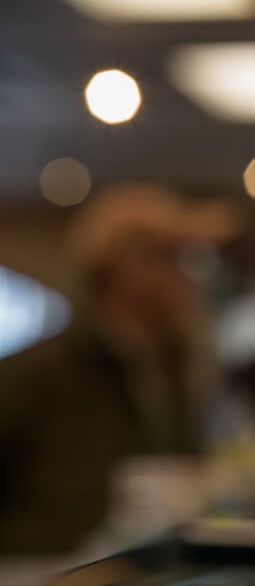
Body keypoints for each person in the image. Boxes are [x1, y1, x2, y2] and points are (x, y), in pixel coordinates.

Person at [0, 184, 240, 553]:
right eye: (169, 257)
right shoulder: (37, 374)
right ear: (118, 267)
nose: (187, 276)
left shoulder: (172, 371)